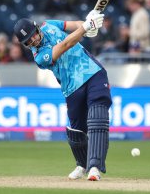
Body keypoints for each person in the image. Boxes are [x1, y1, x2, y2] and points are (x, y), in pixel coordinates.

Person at [13, 10, 110, 181]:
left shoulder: (49, 25)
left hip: (93, 72)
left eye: (33, 35)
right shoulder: (39, 57)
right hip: (71, 87)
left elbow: (74, 25)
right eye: (28, 41)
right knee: (75, 131)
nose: (33, 40)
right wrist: (85, 28)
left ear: (37, 28)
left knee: (97, 117)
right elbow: (65, 45)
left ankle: (95, 166)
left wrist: (89, 25)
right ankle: (82, 164)